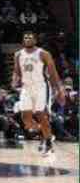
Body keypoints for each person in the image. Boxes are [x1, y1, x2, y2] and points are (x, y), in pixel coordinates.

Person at [13, 31, 61, 161]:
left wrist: (59, 89)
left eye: (30, 37)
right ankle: (46, 134)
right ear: (23, 40)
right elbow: (16, 71)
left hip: (41, 87)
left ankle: (49, 145)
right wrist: (14, 80)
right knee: (26, 119)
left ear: (35, 40)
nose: (27, 39)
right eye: (25, 37)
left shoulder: (43, 53)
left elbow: (53, 72)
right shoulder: (18, 54)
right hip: (26, 88)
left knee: (41, 114)